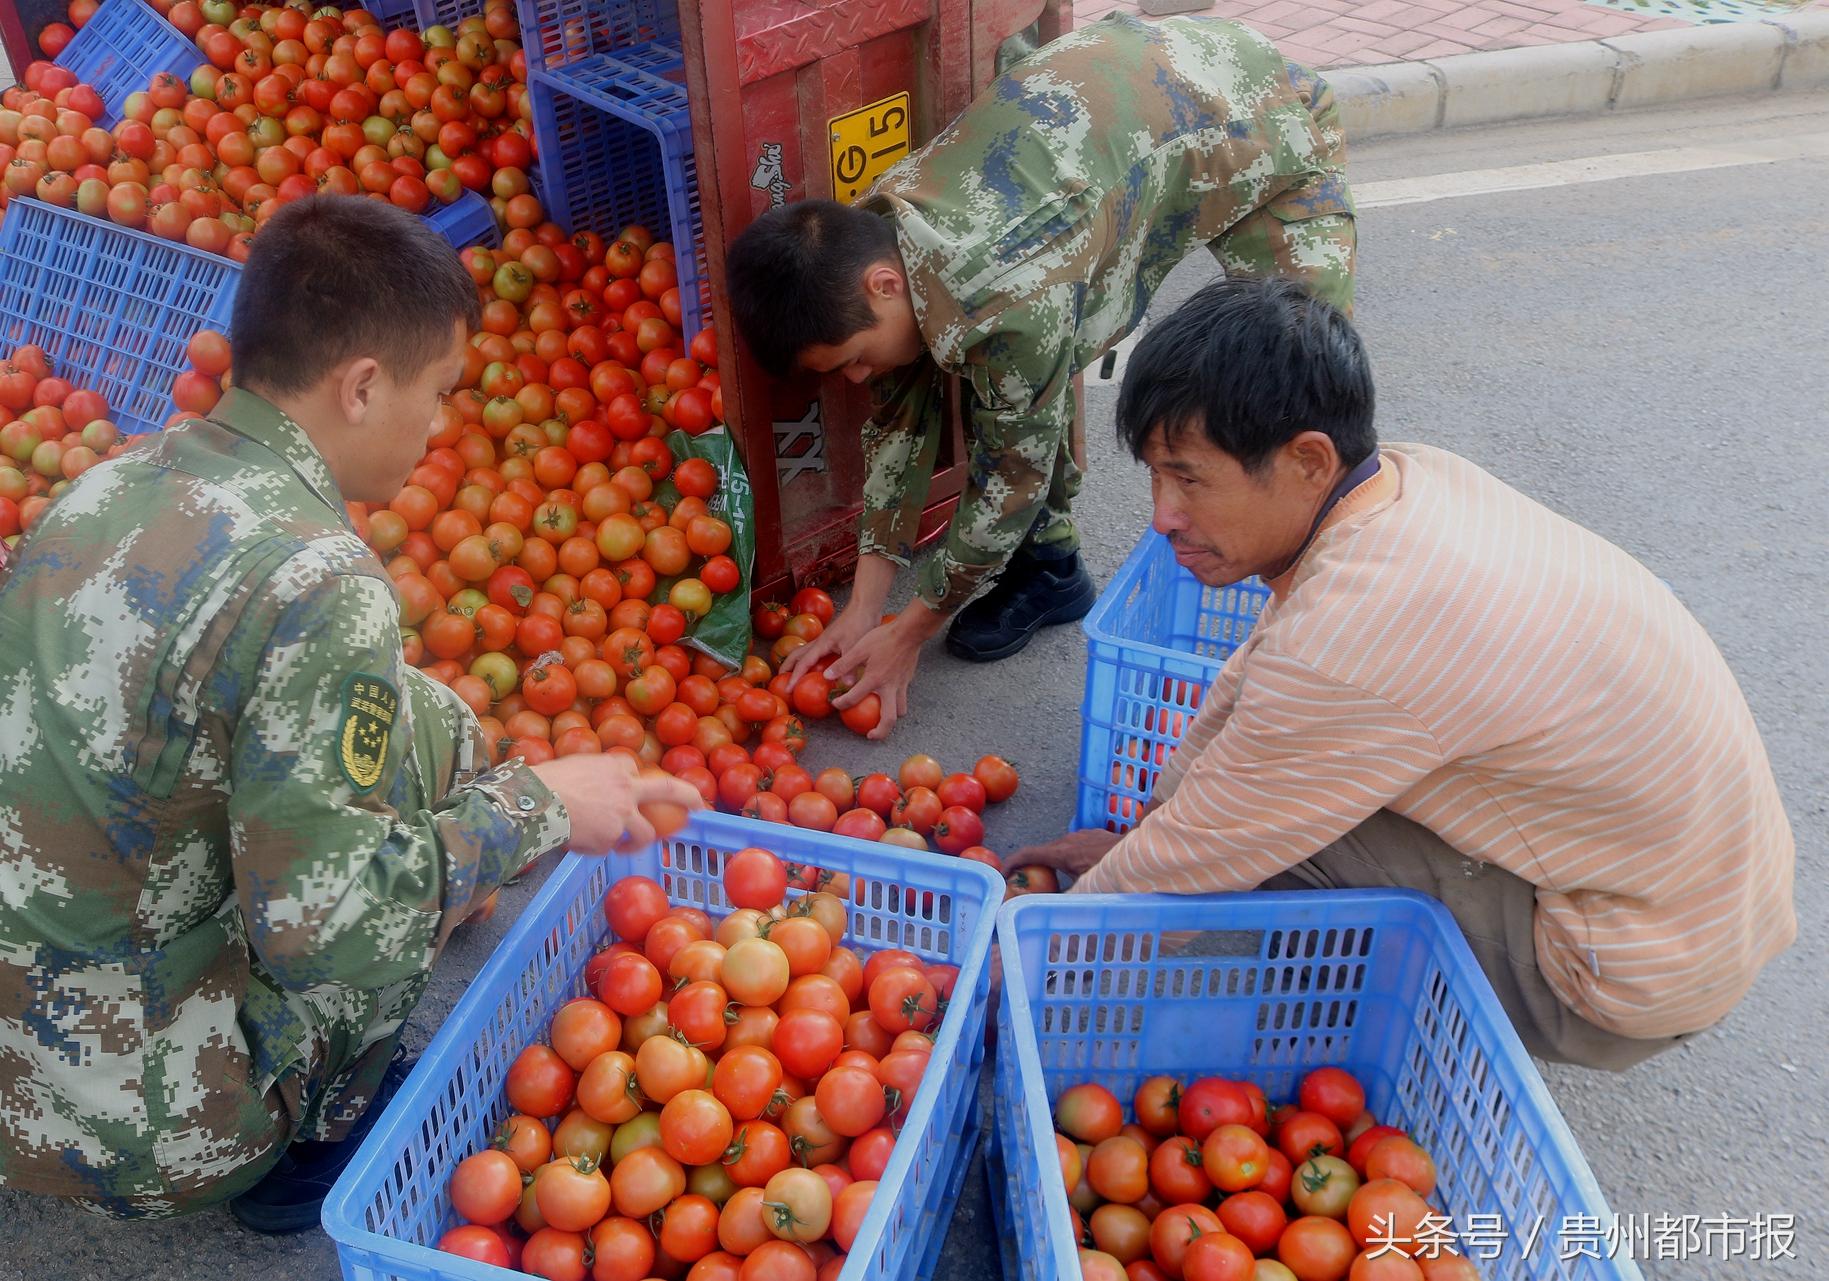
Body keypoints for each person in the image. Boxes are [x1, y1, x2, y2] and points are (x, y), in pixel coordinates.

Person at [0, 196, 701, 1228]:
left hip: (19, 1050)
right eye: (439, 392)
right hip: (140, 1127)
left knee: (419, 724)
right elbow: (332, 933)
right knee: (372, 911)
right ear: (364, 386)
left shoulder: (107, 486)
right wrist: (536, 807)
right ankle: (300, 1144)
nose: (442, 424)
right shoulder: (319, 578)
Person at [1012, 278, 1796, 1071]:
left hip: (1624, 973)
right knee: (1261, 800)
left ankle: (1372, 1031)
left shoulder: (1358, 629)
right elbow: (1260, 675)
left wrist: (1032, 960)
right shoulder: (1407, 482)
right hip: (1705, 902)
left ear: (1308, 460)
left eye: (1187, 478)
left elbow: (1209, 840)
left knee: (1270, 844)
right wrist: (1141, 830)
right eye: (1154, 475)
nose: (1161, 515)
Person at [725, 14, 1356, 737]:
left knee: (1295, 391)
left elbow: (1009, 476)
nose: (859, 376)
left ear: (881, 285)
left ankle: (1326, 625)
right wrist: (865, 607)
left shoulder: (1008, 293)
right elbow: (899, 427)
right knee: (1013, 383)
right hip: (1138, 115)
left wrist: (909, 632)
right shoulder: (883, 225)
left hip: (1265, 119)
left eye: (853, 360)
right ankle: (1052, 572)